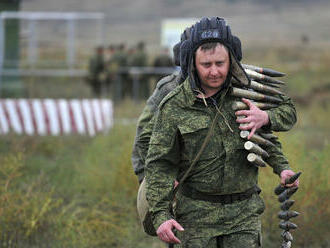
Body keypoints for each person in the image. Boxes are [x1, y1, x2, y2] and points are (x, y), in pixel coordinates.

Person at [144, 17, 299, 247]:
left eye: (220, 63)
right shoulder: (174, 106)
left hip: (244, 216)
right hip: (195, 219)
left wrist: (266, 120)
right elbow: (159, 164)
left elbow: (285, 116)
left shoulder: (245, 91)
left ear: (231, 60)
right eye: (206, 65)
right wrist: (161, 216)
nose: (214, 71)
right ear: (192, 63)